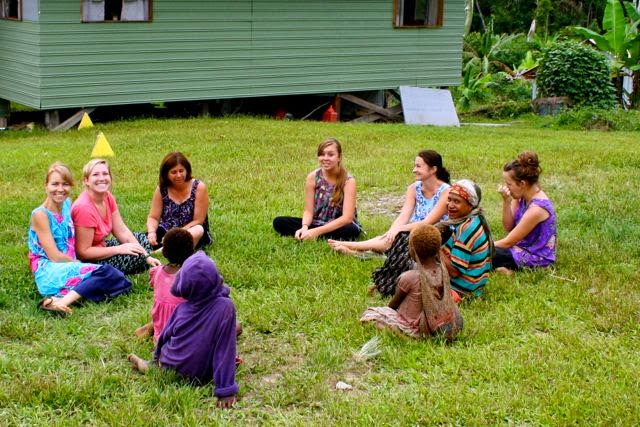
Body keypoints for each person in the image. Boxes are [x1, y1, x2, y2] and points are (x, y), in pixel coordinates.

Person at [128, 251, 239, 409]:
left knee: (159, 365)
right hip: (198, 373)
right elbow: (224, 348)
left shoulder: (182, 308)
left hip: (168, 363)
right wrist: (225, 390)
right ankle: (150, 366)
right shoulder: (225, 307)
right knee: (228, 339)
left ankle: (150, 366)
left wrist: (156, 357)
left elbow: (165, 335)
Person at [28, 162, 132, 314]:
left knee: (123, 283)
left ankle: (56, 299)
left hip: (69, 265)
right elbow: (54, 256)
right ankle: (63, 302)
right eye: (55, 184)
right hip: (50, 270)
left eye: (65, 184)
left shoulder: (67, 204)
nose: (60, 189)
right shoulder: (40, 215)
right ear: (46, 186)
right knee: (109, 274)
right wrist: (79, 264)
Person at [329, 150, 450, 256]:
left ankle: (351, 246)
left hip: (435, 235)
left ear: (433, 169)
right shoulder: (413, 188)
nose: (414, 170)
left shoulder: (446, 191)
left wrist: (400, 229)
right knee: (390, 240)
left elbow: (428, 222)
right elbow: (403, 216)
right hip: (414, 230)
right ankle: (357, 251)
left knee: (393, 244)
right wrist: (392, 231)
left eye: (418, 166)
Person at [361, 224, 463, 340]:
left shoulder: (409, 277)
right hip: (440, 324)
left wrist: (386, 312)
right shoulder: (443, 272)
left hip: (417, 327)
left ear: (412, 251)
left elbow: (393, 306)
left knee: (370, 314)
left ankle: (404, 335)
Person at [71, 159, 161, 275]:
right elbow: (82, 252)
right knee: (135, 257)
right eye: (96, 174)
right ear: (86, 180)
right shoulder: (84, 208)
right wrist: (118, 249)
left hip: (103, 247)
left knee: (142, 240)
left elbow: (122, 230)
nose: (101, 178)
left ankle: (142, 260)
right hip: (90, 260)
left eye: (105, 174)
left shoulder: (107, 197)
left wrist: (146, 256)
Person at [273, 138, 362, 240]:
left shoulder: (348, 181)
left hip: (339, 225)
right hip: (317, 222)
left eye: (330, 155)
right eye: (322, 154)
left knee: (351, 230)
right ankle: (310, 234)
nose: (325, 158)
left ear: (339, 157)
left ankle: (314, 235)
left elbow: (347, 218)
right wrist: (304, 227)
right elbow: (308, 211)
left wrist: (316, 231)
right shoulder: (312, 177)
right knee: (279, 222)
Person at [493, 151, 557, 275]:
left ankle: (512, 271)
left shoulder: (537, 209)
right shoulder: (521, 196)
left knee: (483, 255)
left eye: (509, 184)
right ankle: (506, 269)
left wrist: (478, 247)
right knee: (484, 254)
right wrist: (506, 202)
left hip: (535, 257)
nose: (506, 188)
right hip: (519, 248)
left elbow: (507, 242)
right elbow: (509, 227)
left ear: (522, 184)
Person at [135, 228, 195, 343]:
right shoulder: (191, 275)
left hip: (161, 329)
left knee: (169, 311)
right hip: (183, 332)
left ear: (164, 252)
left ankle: (153, 327)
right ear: (192, 252)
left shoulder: (156, 272)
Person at [146, 152, 212, 250]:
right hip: (165, 232)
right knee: (139, 239)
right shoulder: (162, 190)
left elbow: (198, 220)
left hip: (190, 232)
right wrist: (151, 233)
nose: (178, 175)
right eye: (174, 172)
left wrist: (175, 235)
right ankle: (165, 249)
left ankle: (165, 250)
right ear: (166, 174)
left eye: (181, 171)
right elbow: (153, 217)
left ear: (187, 170)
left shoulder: (198, 187)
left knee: (197, 230)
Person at [439, 179, 493, 300]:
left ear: (470, 205)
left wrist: (434, 248)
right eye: (449, 199)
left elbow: (454, 272)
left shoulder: (466, 229)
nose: (450, 205)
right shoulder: (474, 219)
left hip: (461, 289)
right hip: (473, 286)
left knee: (411, 281)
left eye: (456, 201)